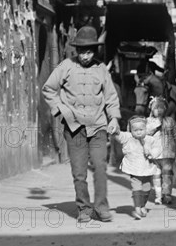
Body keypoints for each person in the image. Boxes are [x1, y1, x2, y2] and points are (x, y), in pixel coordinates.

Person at [42, 26, 120, 223]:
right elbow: (48, 89)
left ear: (94, 50)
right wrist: (62, 110)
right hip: (74, 128)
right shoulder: (65, 66)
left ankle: (102, 207)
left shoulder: (102, 70)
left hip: (98, 127)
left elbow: (110, 97)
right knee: (79, 172)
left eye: (89, 51)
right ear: (76, 50)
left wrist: (114, 118)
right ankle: (84, 208)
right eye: (82, 51)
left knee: (100, 168)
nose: (86, 56)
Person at [112, 115, 156, 220]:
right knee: (137, 188)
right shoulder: (128, 137)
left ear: (146, 129)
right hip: (134, 168)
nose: (138, 132)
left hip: (147, 168)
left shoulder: (150, 139)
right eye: (135, 130)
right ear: (130, 130)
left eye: (141, 129)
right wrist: (114, 130)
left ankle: (143, 205)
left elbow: (157, 150)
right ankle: (137, 209)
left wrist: (151, 153)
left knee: (147, 188)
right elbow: (119, 135)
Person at [146, 96, 176, 204]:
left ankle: (167, 194)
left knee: (167, 175)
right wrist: (154, 126)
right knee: (156, 176)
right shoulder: (148, 122)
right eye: (155, 108)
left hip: (168, 154)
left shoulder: (170, 121)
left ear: (165, 109)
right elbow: (144, 134)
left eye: (161, 108)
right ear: (151, 109)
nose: (158, 110)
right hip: (153, 155)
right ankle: (158, 196)